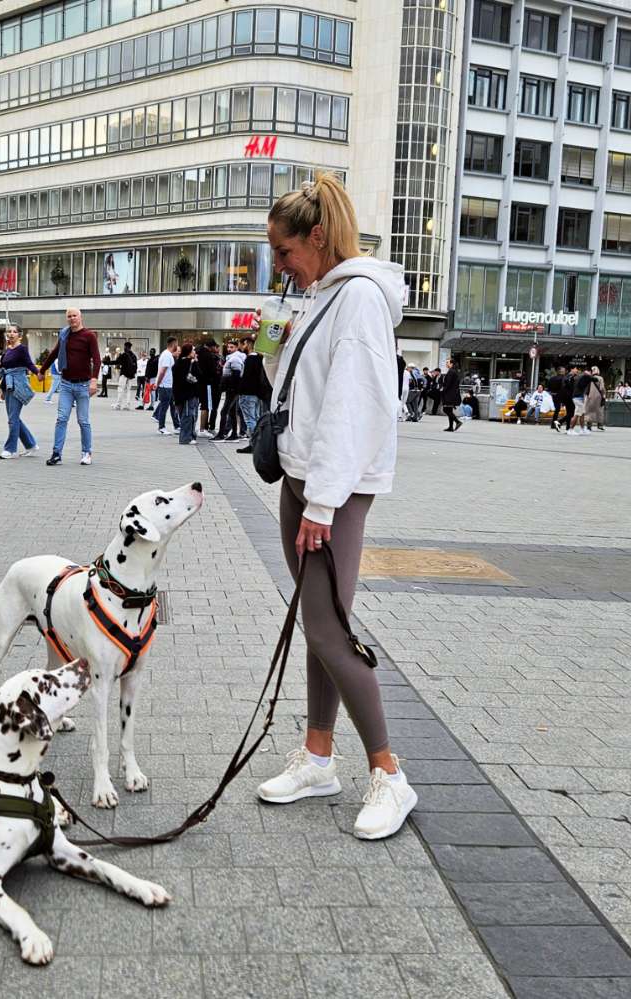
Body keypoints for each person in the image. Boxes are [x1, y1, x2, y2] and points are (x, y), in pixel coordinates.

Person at [256, 172, 416, 840]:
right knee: (318, 626)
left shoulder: (359, 299)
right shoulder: (323, 294)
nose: (279, 264)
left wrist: (322, 503)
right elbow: (305, 391)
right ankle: (318, 756)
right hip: (305, 479)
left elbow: (356, 406)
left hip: (333, 491)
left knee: (329, 630)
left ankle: (390, 773)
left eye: (285, 251)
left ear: (317, 237)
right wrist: (273, 348)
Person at [40, 308, 101, 466]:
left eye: (75, 316)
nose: (72, 318)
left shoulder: (89, 335)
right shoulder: (64, 334)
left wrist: (94, 380)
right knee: (61, 419)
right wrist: (42, 370)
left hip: (83, 385)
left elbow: (97, 359)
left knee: (83, 421)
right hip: (66, 384)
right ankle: (56, 454)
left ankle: (86, 452)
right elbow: (54, 353)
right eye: (69, 316)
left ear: (80, 317)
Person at [0, 326, 39, 459]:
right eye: (9, 331)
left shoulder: (22, 349)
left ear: (19, 335)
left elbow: (29, 364)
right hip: (8, 385)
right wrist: (2, 389)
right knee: (14, 418)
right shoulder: (8, 350)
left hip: (18, 385)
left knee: (13, 419)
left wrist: (39, 373)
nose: (11, 334)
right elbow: (4, 369)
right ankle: (31, 445)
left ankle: (10, 450)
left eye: (14, 332)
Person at [235, 336, 270, 453]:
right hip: (257, 394)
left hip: (247, 393)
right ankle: (257, 443)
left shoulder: (250, 359)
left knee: (250, 419)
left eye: (243, 344)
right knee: (255, 418)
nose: (241, 347)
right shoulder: (260, 358)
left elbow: (246, 378)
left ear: (248, 344)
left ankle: (254, 444)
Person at [212, 340, 246, 441]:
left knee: (224, 412)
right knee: (232, 412)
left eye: (232, 347)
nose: (229, 349)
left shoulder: (235, 359)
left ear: (236, 348)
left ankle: (221, 434)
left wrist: (229, 386)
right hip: (232, 389)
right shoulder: (232, 358)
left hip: (232, 389)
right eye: (228, 347)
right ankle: (234, 434)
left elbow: (236, 375)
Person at [172, 343, 200, 445]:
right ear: (189, 352)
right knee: (188, 415)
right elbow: (199, 375)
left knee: (184, 415)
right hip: (189, 393)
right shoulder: (190, 363)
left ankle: (189, 436)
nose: (194, 352)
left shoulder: (178, 363)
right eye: (193, 350)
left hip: (178, 394)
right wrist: (196, 362)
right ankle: (185, 438)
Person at [153, 337, 180, 435]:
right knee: (164, 407)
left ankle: (177, 426)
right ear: (173, 344)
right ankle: (161, 427)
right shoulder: (167, 355)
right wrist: (158, 383)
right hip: (165, 385)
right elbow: (162, 371)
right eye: (176, 344)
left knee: (173, 406)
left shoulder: (168, 355)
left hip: (169, 385)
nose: (177, 346)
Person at [112, 340, 137, 411]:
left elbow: (117, 362)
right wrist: (133, 373)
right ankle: (127, 405)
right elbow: (136, 366)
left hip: (124, 374)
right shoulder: (134, 356)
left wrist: (107, 362)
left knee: (120, 389)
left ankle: (118, 405)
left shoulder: (124, 355)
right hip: (131, 375)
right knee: (128, 390)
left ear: (125, 347)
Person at [568, 366, 592, 436]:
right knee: (577, 414)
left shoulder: (578, 377)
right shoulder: (581, 377)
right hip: (578, 398)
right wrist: (588, 375)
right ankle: (571, 429)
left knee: (582, 414)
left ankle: (582, 429)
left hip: (579, 397)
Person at [441, 358, 462, 431]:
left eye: (447, 362)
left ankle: (457, 422)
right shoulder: (454, 371)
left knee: (446, 409)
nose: (446, 364)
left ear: (451, 364)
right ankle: (451, 427)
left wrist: (443, 390)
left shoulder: (451, 371)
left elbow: (448, 383)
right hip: (452, 394)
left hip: (450, 394)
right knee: (449, 410)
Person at [584, 367, 605, 432]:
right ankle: (600, 425)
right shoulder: (600, 378)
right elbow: (602, 388)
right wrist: (603, 395)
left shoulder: (589, 378)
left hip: (589, 396)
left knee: (589, 410)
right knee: (599, 410)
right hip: (598, 396)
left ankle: (589, 426)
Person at [547, 366, 568, 432]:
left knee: (557, 409)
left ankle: (553, 424)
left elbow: (548, 388)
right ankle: (560, 423)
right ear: (560, 371)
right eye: (564, 370)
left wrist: (552, 393)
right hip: (561, 395)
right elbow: (564, 387)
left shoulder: (552, 378)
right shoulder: (564, 378)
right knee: (569, 410)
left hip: (554, 395)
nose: (565, 371)